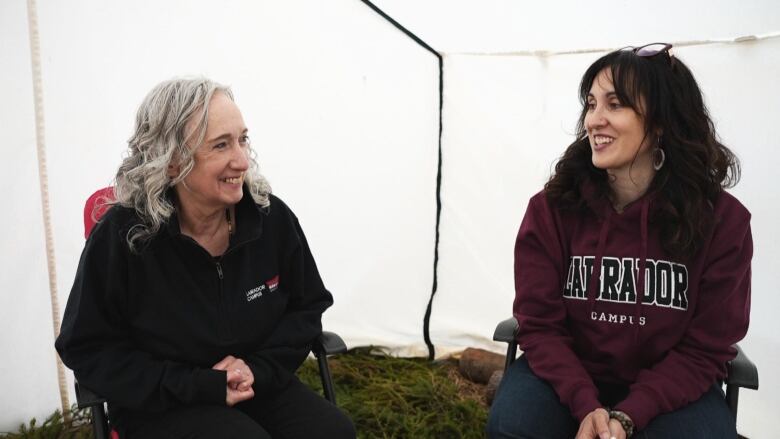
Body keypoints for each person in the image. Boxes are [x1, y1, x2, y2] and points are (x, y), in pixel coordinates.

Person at [55, 78, 356, 439]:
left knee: (332, 432)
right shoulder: (124, 237)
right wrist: (200, 385)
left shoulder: (269, 218)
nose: (242, 160)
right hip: (162, 400)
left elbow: (307, 305)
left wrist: (255, 369)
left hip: (253, 381)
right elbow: (88, 347)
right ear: (171, 162)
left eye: (242, 139)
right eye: (221, 145)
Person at [487, 44, 751, 439]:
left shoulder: (721, 222)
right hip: (566, 377)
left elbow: (705, 348)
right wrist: (586, 403)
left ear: (661, 120)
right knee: (514, 427)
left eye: (614, 104)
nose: (595, 120)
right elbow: (540, 324)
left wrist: (629, 415)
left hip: (672, 389)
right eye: (591, 104)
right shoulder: (551, 210)